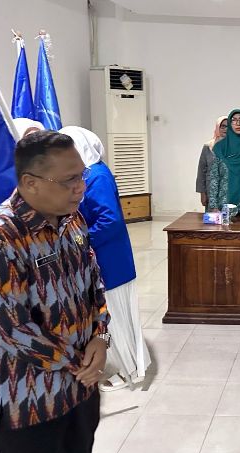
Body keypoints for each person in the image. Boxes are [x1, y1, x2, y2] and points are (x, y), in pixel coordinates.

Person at [0, 131, 129, 453]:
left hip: (80, 381)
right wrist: (80, 362)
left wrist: (101, 337)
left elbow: (93, 282)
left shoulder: (71, 220)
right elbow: (11, 330)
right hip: (25, 395)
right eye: (69, 179)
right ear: (30, 183)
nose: (80, 187)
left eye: (81, 176)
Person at [61, 126, 152, 391]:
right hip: (99, 258)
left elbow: (109, 221)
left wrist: (79, 239)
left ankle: (126, 370)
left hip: (110, 259)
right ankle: (120, 364)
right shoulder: (86, 173)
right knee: (106, 314)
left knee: (115, 315)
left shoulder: (96, 175)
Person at [196, 115, 227, 207]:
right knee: (213, 218)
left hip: (228, 191)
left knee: (228, 219)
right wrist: (202, 193)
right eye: (223, 126)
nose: (226, 129)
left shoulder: (234, 147)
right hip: (211, 191)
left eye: (229, 126)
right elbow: (201, 172)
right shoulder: (208, 146)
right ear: (218, 127)